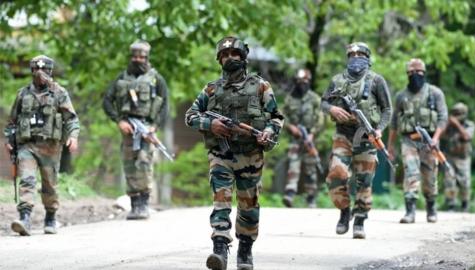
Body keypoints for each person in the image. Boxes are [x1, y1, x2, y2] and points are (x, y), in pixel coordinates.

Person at [185, 36, 283, 270]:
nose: (230, 58)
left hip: (251, 155)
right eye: (225, 55)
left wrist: (268, 132)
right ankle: (219, 249)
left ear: (243, 57)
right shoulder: (211, 89)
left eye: (234, 54)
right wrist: (211, 126)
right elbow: (190, 116)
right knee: (222, 199)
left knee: (249, 206)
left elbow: (276, 117)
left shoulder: (260, 87)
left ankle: (245, 250)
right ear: (220, 60)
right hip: (221, 155)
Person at [322, 42, 392, 239]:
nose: (355, 57)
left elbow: (387, 109)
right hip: (343, 134)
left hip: (367, 136)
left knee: (364, 179)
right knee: (336, 173)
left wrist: (379, 129)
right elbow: (324, 102)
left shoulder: (377, 80)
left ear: (367, 57)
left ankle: (360, 219)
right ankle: (345, 212)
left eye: (360, 54)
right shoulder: (337, 80)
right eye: (351, 54)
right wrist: (332, 109)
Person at [4, 55, 80, 236]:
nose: (40, 73)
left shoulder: (59, 93)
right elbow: (12, 121)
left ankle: (51, 217)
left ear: (50, 71)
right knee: (27, 180)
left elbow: (72, 119)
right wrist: (8, 140)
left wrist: (73, 137)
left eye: (45, 70)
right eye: (36, 70)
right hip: (27, 146)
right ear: (31, 71)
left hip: (50, 148)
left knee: (49, 185)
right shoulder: (23, 94)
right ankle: (24, 218)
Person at [103, 40, 169, 220]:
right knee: (129, 164)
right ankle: (134, 205)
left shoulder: (156, 79)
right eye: (135, 56)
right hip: (128, 128)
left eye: (142, 57)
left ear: (147, 58)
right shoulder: (122, 78)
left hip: (147, 128)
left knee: (144, 163)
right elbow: (107, 101)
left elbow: (164, 106)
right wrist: (119, 121)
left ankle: (144, 203)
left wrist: (153, 127)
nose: (138, 59)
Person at [387, 58, 448, 224]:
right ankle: (410, 211)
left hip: (429, 141)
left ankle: (431, 208)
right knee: (411, 172)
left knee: (429, 176)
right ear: (407, 74)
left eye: (418, 72)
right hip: (409, 140)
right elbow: (394, 122)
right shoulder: (401, 96)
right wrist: (390, 146)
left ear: (424, 73)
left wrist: (435, 139)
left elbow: (443, 118)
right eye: (411, 73)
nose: (415, 75)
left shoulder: (435, 93)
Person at [282, 68, 324, 208]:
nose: (302, 84)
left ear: (309, 82)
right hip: (295, 139)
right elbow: (281, 116)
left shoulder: (314, 99)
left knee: (310, 168)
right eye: (299, 81)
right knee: (293, 165)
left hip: (310, 139)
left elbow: (320, 119)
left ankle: (311, 197)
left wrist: (312, 134)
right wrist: (290, 127)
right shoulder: (290, 98)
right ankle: (289, 193)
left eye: (305, 81)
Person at [442, 102, 475, 212]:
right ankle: (451, 204)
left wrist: (457, 124)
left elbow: (466, 136)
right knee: (449, 181)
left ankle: (465, 204)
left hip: (463, 158)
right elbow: (440, 134)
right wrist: (448, 124)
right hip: (450, 157)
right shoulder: (449, 126)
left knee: (464, 182)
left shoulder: (469, 125)